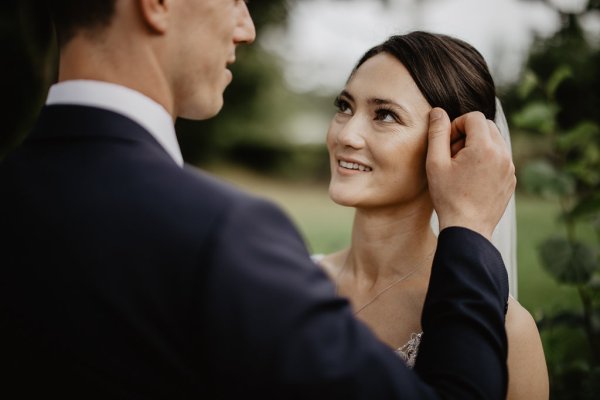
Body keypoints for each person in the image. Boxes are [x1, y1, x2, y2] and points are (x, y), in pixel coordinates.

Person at [0, 1, 515, 398]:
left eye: (384, 114)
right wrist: (467, 229)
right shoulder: (222, 236)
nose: (246, 27)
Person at [315, 31, 548, 399]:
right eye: (345, 106)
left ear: (454, 145)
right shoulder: (292, 276)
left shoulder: (505, 329)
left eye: (385, 115)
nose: (347, 134)